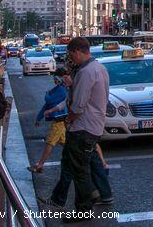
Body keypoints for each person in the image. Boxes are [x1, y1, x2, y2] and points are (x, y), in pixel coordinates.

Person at [45, 37, 110, 222]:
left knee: (80, 168)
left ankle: (84, 208)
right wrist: (71, 84)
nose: (71, 59)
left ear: (76, 51)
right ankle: (72, 198)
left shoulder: (86, 72)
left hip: (83, 126)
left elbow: (78, 105)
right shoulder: (99, 68)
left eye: (71, 55)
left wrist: (69, 120)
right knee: (74, 163)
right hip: (94, 124)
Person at [28, 67, 69, 173]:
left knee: (50, 143)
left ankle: (40, 165)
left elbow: (48, 100)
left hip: (59, 120)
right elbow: (46, 104)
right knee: (64, 142)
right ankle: (78, 159)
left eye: (55, 78)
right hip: (59, 119)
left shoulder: (61, 90)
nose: (54, 80)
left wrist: (47, 93)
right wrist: (39, 117)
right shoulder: (59, 88)